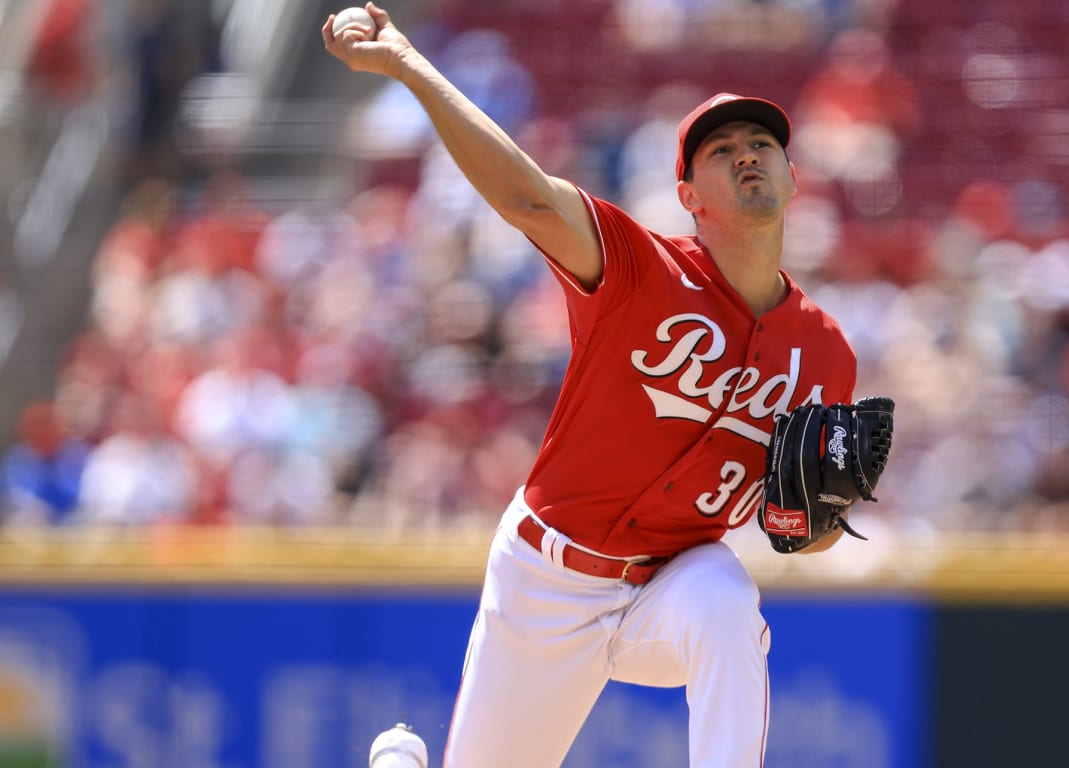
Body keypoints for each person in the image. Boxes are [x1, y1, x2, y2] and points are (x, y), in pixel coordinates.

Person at [324, 5, 862, 765]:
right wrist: (410, 65)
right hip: (549, 577)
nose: (748, 156)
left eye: (763, 144)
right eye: (722, 150)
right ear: (688, 196)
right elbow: (528, 198)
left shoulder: (828, 353)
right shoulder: (641, 269)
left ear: (792, 174)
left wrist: (821, 523)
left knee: (727, 599)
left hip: (671, 586)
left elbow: (809, 530)